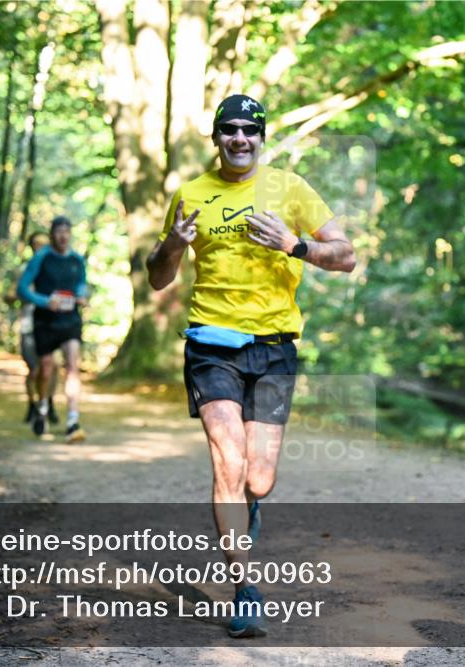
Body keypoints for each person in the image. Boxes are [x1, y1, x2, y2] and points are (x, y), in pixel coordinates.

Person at [146, 94, 356, 638]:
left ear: (262, 138)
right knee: (228, 465)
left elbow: (347, 255)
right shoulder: (191, 194)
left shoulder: (290, 189)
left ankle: (248, 506)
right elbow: (158, 277)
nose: (240, 138)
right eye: (229, 130)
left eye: (249, 130)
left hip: (275, 346)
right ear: (215, 138)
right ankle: (244, 588)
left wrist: (295, 245)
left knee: (258, 480)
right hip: (211, 345)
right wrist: (171, 244)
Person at [17, 216, 88, 443]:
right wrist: (44, 301)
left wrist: (82, 296)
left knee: (72, 366)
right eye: (59, 231)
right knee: (46, 369)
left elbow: (81, 284)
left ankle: (72, 420)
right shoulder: (41, 258)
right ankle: (43, 408)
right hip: (45, 321)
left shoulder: (77, 260)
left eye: (67, 231)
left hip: (70, 321)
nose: (63, 235)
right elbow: (22, 289)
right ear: (52, 234)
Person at [14, 232, 59, 424]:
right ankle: (32, 404)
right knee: (34, 369)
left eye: (43, 244)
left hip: (52, 324)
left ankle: (48, 403)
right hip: (29, 325)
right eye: (36, 245)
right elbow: (14, 293)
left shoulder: (55, 268)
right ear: (31, 247)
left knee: (53, 367)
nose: (40, 248)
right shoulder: (24, 270)